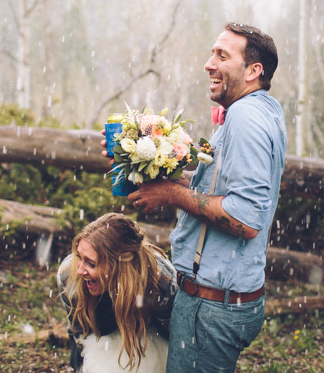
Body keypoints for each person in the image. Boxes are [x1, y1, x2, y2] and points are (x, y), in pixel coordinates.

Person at [105, 22, 287, 372]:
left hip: (213, 306)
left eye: (222, 55)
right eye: (211, 53)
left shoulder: (246, 119)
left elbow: (246, 218)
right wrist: (143, 159)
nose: (208, 63)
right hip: (217, 300)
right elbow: (222, 189)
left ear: (253, 71)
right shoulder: (261, 109)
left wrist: (170, 193)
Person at [57, 212, 178, 372]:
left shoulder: (161, 281)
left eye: (91, 263)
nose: (80, 270)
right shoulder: (68, 276)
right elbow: (79, 332)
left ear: (118, 265)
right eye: (79, 256)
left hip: (148, 331)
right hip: (100, 322)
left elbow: (173, 335)